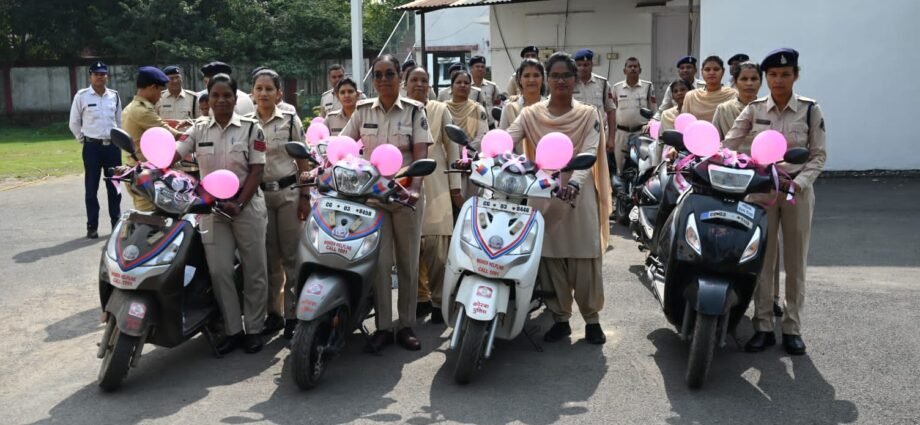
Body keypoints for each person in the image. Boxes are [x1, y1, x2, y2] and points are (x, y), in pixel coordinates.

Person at [723, 48, 826, 355]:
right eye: (773, 75)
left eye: (785, 74)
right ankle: (764, 326)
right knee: (762, 261)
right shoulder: (754, 109)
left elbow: (818, 155)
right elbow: (729, 143)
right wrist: (720, 161)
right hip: (762, 191)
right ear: (766, 77)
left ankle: (792, 328)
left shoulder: (810, 109)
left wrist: (799, 183)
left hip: (797, 192)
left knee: (795, 262)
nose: (778, 80)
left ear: (795, 75)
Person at [505, 52, 612, 344]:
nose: (561, 80)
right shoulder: (530, 114)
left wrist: (574, 183)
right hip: (543, 194)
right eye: (555, 75)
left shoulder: (589, 114)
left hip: (578, 195)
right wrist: (484, 153)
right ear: (547, 80)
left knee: (585, 257)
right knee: (550, 258)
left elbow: (589, 153)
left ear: (575, 79)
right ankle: (560, 319)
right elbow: (507, 138)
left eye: (566, 75)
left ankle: (592, 320)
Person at [339, 55, 433, 352]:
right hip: (373, 198)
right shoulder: (362, 111)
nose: (383, 80)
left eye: (389, 74)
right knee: (380, 265)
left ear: (399, 77)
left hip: (405, 197)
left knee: (407, 262)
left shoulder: (415, 111)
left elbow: (421, 153)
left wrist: (414, 189)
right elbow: (343, 147)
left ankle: (405, 325)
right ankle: (383, 327)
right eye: (377, 75)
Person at [175, 73, 269, 354]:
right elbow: (175, 153)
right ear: (208, 98)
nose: (221, 100)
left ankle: (254, 328)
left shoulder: (252, 128)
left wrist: (239, 203)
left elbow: (257, 170)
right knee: (219, 271)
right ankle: (232, 329)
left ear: (235, 98)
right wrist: (146, 164)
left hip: (246, 206)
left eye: (227, 95)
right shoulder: (198, 129)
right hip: (213, 209)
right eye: (215, 95)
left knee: (254, 270)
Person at [712, 61, 784, 318]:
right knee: (732, 236)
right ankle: (729, 293)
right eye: (744, 79)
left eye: (754, 79)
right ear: (735, 82)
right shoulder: (724, 109)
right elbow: (718, 145)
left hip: (763, 181)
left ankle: (771, 297)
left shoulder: (770, 108)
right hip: (732, 182)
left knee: (768, 241)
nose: (750, 83)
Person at [247, 68, 309, 340]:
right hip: (260, 197)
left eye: (269, 89)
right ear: (252, 93)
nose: (263, 93)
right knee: (269, 258)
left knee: (292, 256)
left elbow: (303, 160)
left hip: (288, 194)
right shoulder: (246, 122)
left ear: (279, 93)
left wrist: (305, 196)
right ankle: (274, 313)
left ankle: (294, 315)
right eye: (259, 89)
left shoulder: (290, 119)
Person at [403, 66, 461, 324]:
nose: (419, 84)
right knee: (410, 249)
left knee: (438, 250)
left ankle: (439, 301)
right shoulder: (400, 110)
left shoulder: (440, 110)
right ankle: (420, 298)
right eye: (414, 80)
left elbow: (453, 149)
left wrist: (455, 187)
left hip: (437, 184)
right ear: (405, 84)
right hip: (405, 183)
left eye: (423, 80)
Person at [68, 61, 122, 239]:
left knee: (115, 187)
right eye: (97, 74)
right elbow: (74, 122)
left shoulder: (114, 96)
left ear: (107, 76)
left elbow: (119, 121)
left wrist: (119, 142)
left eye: (103, 74)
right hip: (92, 148)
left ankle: (116, 224)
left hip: (112, 148)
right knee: (91, 188)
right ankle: (92, 226)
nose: (100, 77)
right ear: (90, 76)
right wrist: (82, 139)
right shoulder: (82, 96)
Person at [121, 66, 183, 211]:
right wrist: (197, 133)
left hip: (137, 170)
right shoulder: (143, 111)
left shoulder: (131, 107)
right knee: (152, 218)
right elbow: (173, 135)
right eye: (160, 91)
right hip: (146, 175)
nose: (160, 96)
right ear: (151, 87)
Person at [572, 49, 616, 177]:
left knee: (600, 172)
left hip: (598, 135)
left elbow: (611, 110)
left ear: (592, 65)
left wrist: (611, 138)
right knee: (578, 170)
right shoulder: (570, 83)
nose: (582, 68)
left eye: (586, 65)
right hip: (576, 135)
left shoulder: (602, 83)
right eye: (579, 65)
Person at [446, 69, 489, 199]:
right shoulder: (443, 108)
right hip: (448, 162)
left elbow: (482, 135)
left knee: (470, 202)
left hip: (470, 163)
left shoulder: (477, 109)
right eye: (458, 82)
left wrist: (465, 156)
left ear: (471, 87)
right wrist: (454, 154)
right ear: (451, 86)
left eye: (466, 83)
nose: (463, 85)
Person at [611, 57, 656, 175]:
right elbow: (612, 111)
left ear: (640, 70)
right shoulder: (617, 88)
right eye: (629, 66)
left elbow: (653, 111)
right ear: (624, 70)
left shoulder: (648, 87)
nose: (632, 69)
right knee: (620, 166)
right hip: (621, 133)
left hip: (641, 133)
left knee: (642, 166)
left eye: (635, 66)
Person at [681, 55, 737, 122]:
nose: (711, 73)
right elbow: (685, 122)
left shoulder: (733, 95)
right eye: (707, 69)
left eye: (716, 69)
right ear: (702, 72)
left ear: (723, 71)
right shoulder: (691, 96)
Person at [498, 58, 546, 132]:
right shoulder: (510, 107)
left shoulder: (550, 106)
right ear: (520, 80)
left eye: (536, 75)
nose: (531, 80)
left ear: (542, 79)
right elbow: (503, 136)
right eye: (526, 76)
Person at [469, 55, 499, 127]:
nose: (480, 69)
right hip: (472, 125)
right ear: (471, 69)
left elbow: (496, 104)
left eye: (482, 67)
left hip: (489, 124)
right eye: (477, 66)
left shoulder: (492, 86)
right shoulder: (466, 86)